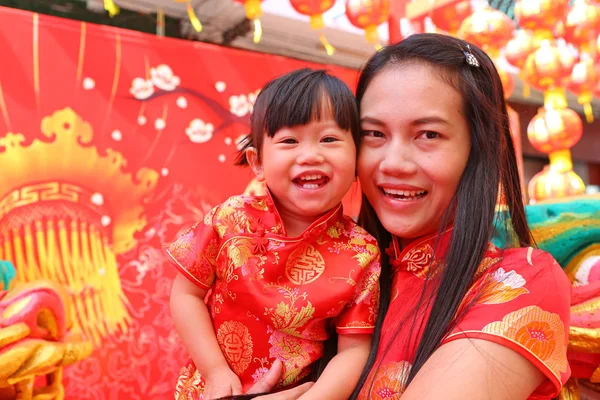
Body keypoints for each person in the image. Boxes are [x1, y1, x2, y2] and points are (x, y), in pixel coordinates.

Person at [237, 33, 572, 400]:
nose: (393, 163)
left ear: (479, 149)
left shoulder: (520, 281)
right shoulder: (337, 272)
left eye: (428, 134)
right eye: (374, 133)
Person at [167, 68, 381, 400]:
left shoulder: (362, 251)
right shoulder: (231, 219)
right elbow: (185, 295)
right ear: (258, 162)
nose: (310, 155)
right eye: (289, 141)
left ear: (357, 158)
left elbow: (354, 350)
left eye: (329, 139)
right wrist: (215, 372)